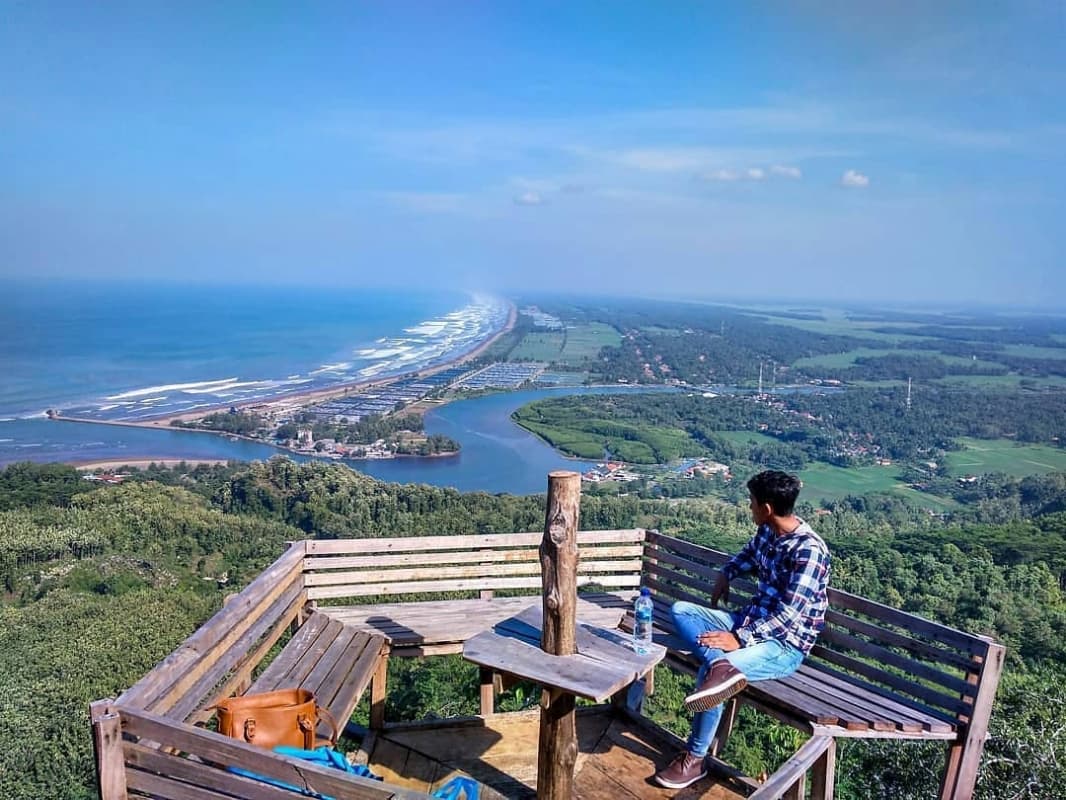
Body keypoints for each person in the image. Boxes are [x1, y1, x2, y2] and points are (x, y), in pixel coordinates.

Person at [653, 470, 831, 790]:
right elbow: (749, 554)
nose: (748, 507)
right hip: (746, 621)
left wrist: (739, 639)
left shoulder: (809, 552)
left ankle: (695, 760)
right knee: (681, 611)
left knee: (712, 672)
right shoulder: (769, 531)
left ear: (766, 508)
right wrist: (728, 572)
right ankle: (722, 665)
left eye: (751, 503)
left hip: (783, 645)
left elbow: (789, 616)